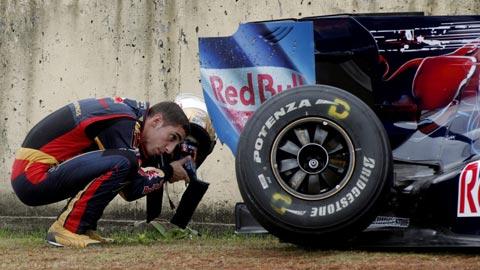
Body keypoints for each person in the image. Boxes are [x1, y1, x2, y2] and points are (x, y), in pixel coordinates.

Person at [10, 97, 192, 248]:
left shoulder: (125, 114)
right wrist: (167, 171)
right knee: (124, 162)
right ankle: (67, 229)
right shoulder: (125, 120)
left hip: (33, 174)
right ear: (156, 121)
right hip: (32, 177)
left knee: (122, 164)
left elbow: (124, 182)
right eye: (172, 138)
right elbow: (132, 189)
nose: (170, 149)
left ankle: (84, 228)